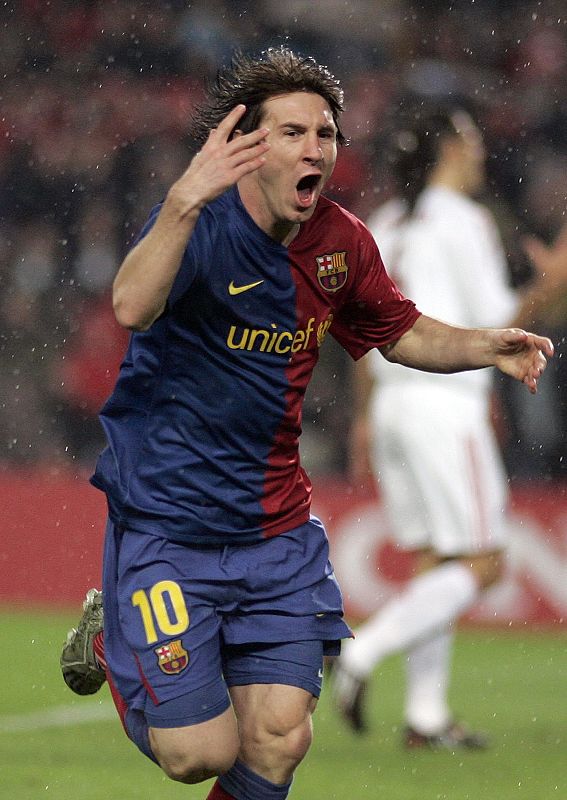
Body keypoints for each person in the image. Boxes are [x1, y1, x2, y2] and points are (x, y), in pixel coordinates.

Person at [60, 50, 553, 800]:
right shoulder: (199, 221)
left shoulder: (341, 241)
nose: (315, 147)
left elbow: (398, 332)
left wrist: (485, 345)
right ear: (250, 145)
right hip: (169, 521)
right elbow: (131, 305)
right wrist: (185, 199)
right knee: (197, 753)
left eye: (325, 133)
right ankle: (112, 634)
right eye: (293, 132)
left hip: (276, 530)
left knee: (280, 739)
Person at [331, 105, 566, 749]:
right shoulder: (463, 220)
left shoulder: (383, 221)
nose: (480, 149)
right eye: (469, 136)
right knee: (486, 562)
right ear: (446, 150)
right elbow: (497, 319)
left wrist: (362, 416)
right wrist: (550, 284)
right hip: (444, 403)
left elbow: (361, 327)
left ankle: (426, 715)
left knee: (435, 559)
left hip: (390, 403)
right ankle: (359, 652)